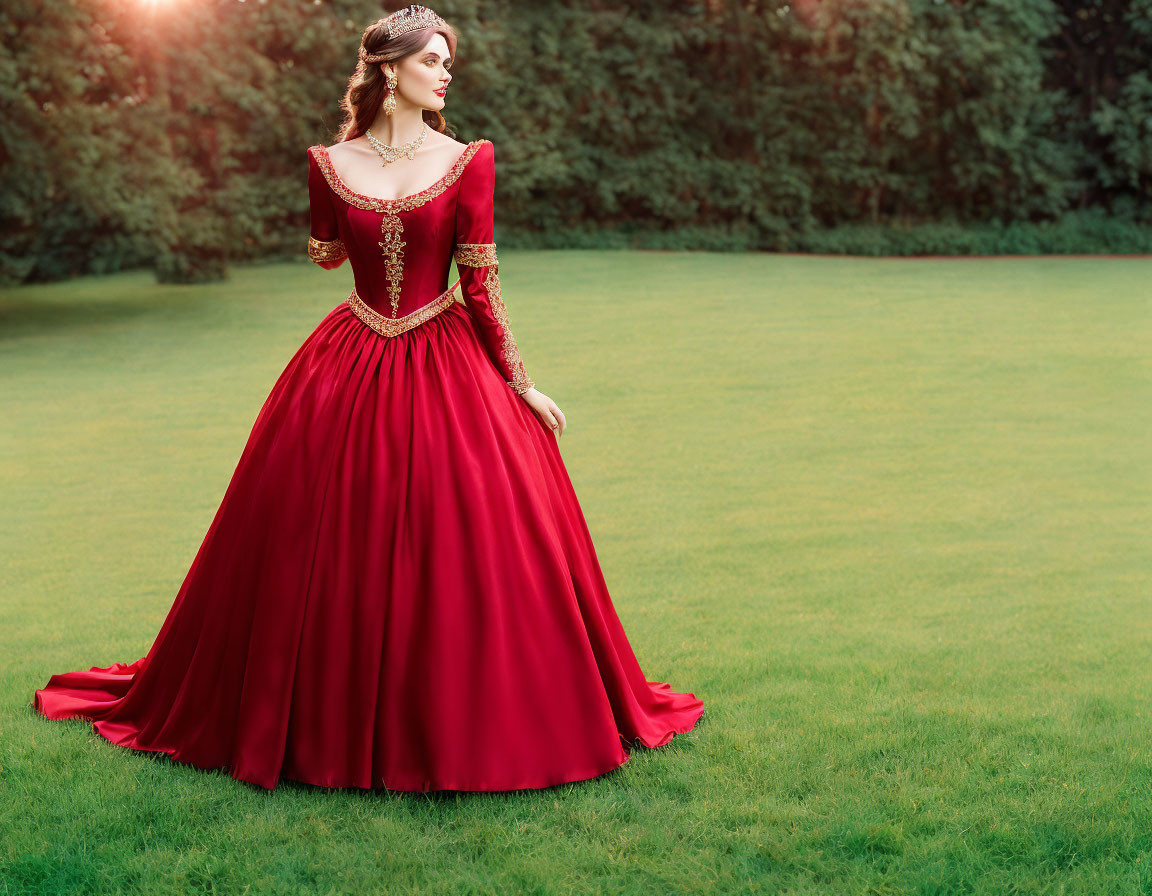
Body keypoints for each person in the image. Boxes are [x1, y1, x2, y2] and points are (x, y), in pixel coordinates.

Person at [32, 5, 705, 792]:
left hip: (444, 363)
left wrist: (520, 384)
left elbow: (477, 285)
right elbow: (328, 249)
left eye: (448, 61)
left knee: (465, 537)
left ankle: (468, 714)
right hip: (342, 370)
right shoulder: (325, 161)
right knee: (305, 538)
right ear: (390, 69)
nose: (445, 72)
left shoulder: (469, 159)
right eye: (430, 60)